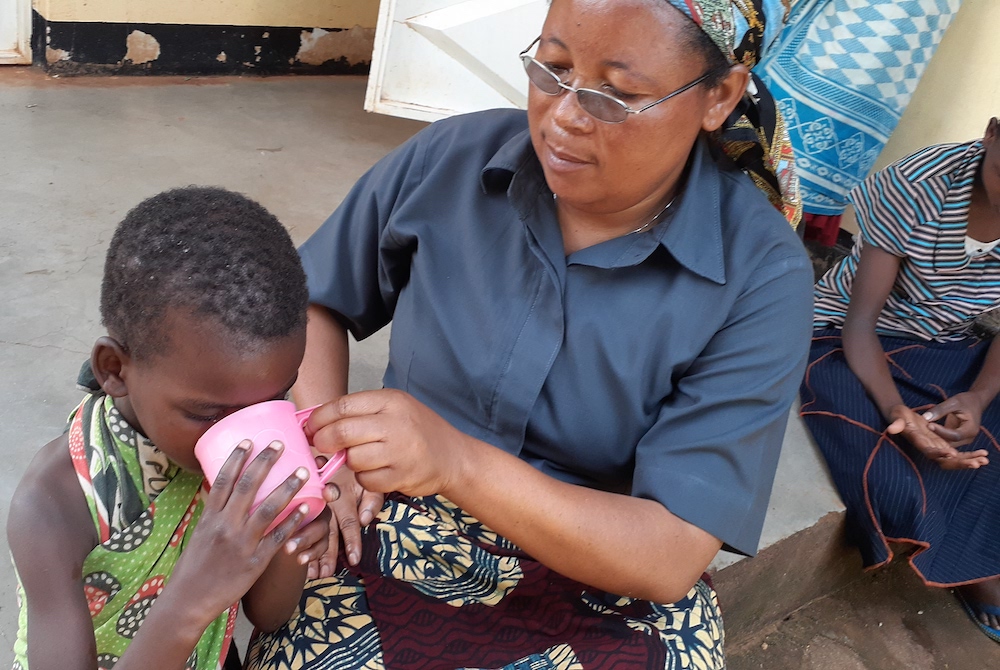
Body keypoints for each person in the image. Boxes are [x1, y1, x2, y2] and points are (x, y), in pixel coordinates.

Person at [247, 1, 813, 668]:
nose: (565, 114)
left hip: (600, 565)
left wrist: (454, 461)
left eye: (618, 94)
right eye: (552, 69)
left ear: (718, 96)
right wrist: (323, 447)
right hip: (389, 508)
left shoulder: (761, 273)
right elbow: (311, 301)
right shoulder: (451, 160)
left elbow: (668, 555)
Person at [7, 187, 332, 669]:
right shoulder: (54, 506)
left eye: (276, 399)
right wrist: (191, 600)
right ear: (115, 369)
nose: (247, 434)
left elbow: (268, 613)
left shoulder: (254, 452)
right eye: (208, 414)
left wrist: (291, 537)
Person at [801, 117, 1000, 642]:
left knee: (980, 429)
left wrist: (978, 396)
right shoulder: (916, 185)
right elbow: (859, 323)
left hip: (947, 344)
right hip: (847, 337)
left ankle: (980, 554)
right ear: (992, 133)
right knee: (891, 467)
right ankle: (978, 567)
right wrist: (898, 413)